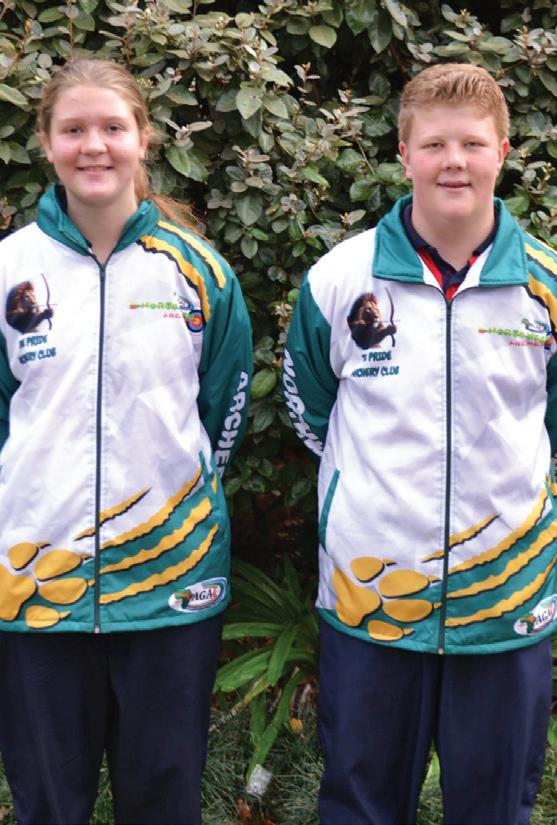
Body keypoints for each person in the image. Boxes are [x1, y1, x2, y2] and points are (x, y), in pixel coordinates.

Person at [283, 62, 557, 825]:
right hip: (371, 597)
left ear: (501, 152)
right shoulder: (338, 281)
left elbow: (555, 420)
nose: (453, 162)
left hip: (503, 597)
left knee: (495, 808)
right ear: (403, 153)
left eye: (471, 144)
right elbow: (312, 412)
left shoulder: (550, 287)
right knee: (361, 804)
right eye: (434, 144)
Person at [0, 58, 251, 825]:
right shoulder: (9, 270)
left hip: (171, 581)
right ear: (46, 142)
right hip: (37, 581)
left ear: (143, 138)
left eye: (112, 126)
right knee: (48, 804)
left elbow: (221, 416)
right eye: (73, 128)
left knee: (163, 801)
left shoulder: (198, 272)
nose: (94, 145)